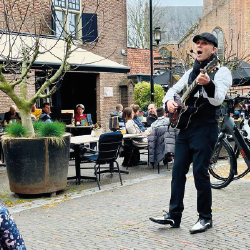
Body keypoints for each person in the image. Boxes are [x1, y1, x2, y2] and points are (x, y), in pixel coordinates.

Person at [149, 32, 232, 234]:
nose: (199, 47)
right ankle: (174, 216)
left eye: (204, 44)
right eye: (197, 44)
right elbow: (172, 91)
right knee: (177, 173)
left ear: (214, 49)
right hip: (185, 129)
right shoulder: (190, 73)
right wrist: (168, 102)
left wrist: (208, 84)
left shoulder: (221, 72)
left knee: (199, 174)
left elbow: (218, 99)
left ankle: (205, 218)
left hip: (205, 129)